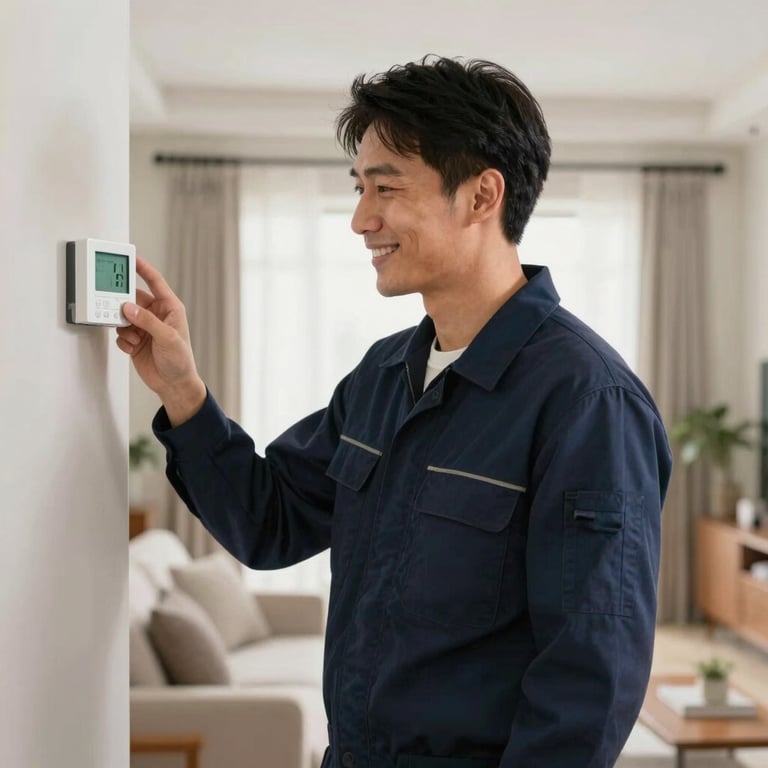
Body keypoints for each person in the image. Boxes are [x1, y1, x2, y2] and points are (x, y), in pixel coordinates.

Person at [118, 56, 672, 768]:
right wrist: (184, 392)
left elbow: (589, 679)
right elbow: (270, 522)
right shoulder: (382, 374)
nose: (360, 219)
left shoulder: (588, 400)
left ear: (481, 197)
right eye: (359, 188)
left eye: (385, 188)